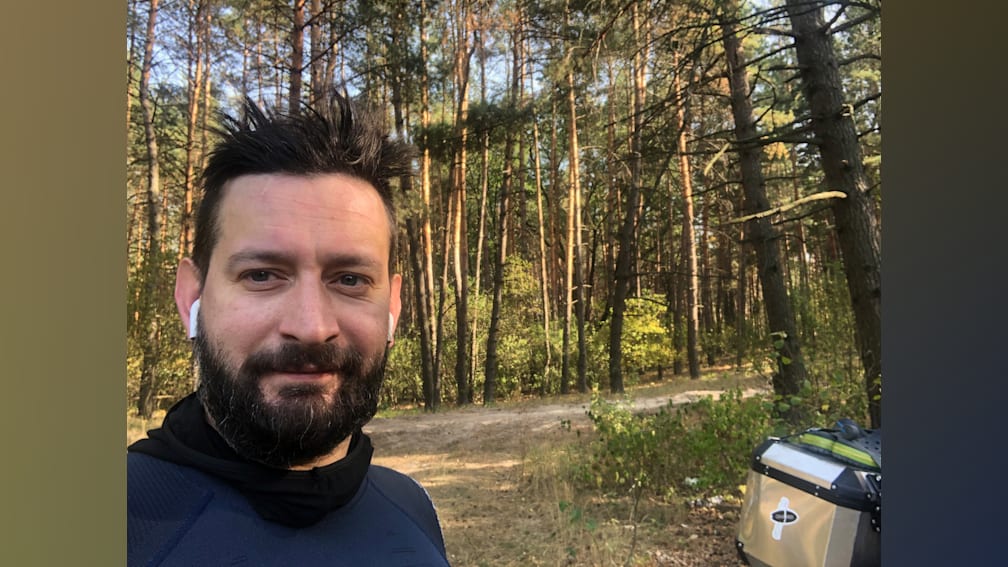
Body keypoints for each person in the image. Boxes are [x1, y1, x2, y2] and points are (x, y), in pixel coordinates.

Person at [127, 93, 449, 566]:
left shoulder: (412, 507)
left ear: (393, 308)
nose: (312, 326)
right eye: (261, 275)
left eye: (351, 280)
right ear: (190, 297)